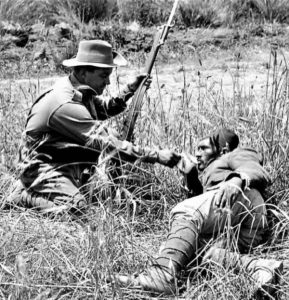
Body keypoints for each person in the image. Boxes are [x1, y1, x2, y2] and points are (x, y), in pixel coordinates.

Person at [8, 40, 180, 214]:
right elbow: (109, 144)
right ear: (83, 72)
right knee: (75, 209)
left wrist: (131, 89)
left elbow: (104, 109)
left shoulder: (80, 89)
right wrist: (158, 156)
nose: (108, 82)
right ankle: (23, 195)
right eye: (104, 76)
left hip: (62, 160)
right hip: (41, 167)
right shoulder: (64, 103)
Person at [113, 128, 283, 296]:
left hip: (244, 201)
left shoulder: (232, 154)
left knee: (184, 211)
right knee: (188, 249)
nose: (198, 153)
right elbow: (206, 210)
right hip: (238, 225)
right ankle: (259, 268)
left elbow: (251, 165)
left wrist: (236, 182)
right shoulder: (213, 172)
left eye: (203, 148)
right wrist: (192, 177)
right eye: (196, 149)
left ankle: (161, 275)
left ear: (222, 150)